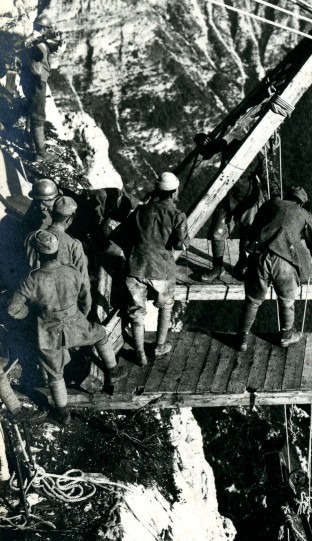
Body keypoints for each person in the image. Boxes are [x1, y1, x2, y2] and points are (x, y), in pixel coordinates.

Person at [7, 230, 126, 425]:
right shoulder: (72, 271)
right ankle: (112, 371)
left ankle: (63, 414)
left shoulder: (31, 280)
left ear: (37, 253)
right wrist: (80, 314)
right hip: (75, 323)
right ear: (57, 250)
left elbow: (13, 310)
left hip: (48, 331)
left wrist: (30, 316)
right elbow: (85, 298)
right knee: (100, 334)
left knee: (55, 374)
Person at [235, 185, 312, 352]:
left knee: (253, 300)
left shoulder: (270, 205)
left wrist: (244, 259)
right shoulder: (303, 214)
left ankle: (241, 338)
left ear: (287, 196)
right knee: (287, 301)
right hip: (285, 261)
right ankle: (286, 335)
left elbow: (253, 231)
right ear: (301, 202)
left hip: (260, 257)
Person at [122, 172, 188, 365]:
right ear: (174, 192)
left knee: (136, 312)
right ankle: (159, 347)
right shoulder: (177, 215)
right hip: (161, 270)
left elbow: (126, 235)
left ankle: (140, 354)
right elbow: (181, 244)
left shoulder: (140, 211)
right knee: (166, 306)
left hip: (136, 267)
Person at [201, 157, 268, 283]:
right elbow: (211, 147)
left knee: (248, 233)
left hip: (248, 198)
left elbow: (266, 175)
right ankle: (218, 267)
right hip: (226, 194)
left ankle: (242, 265)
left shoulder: (258, 153)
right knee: (217, 232)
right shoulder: (229, 141)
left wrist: (275, 194)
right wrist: (201, 138)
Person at [19, 11, 63, 160]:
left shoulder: (37, 40)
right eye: (49, 27)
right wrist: (45, 41)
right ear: (44, 28)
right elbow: (33, 48)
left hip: (32, 80)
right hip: (37, 81)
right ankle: (41, 154)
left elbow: (44, 48)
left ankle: (32, 145)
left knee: (33, 111)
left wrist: (54, 44)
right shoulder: (35, 42)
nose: (51, 29)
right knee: (38, 115)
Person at [25, 196, 89, 284]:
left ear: (51, 214)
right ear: (69, 219)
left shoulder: (32, 236)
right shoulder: (75, 245)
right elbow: (83, 282)